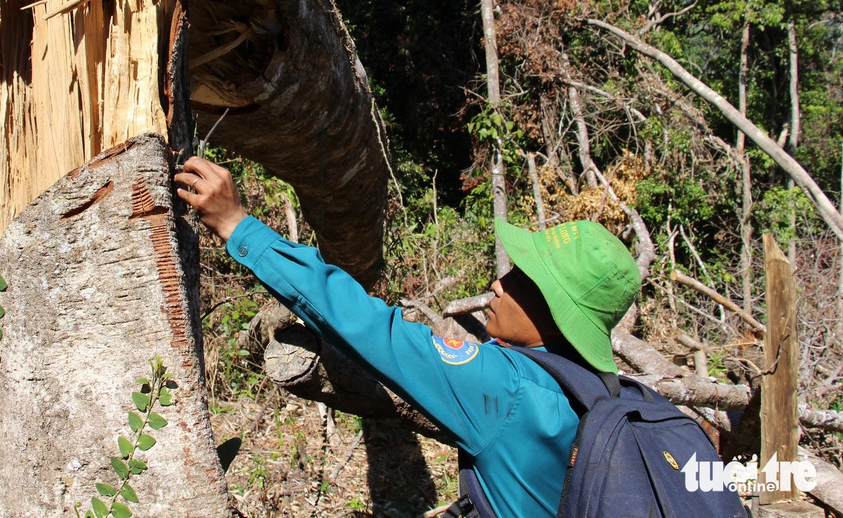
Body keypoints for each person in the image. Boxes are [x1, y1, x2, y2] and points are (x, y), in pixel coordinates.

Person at [174, 156, 641, 518]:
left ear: (555, 312)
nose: (499, 284)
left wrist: (238, 225)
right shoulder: (611, 392)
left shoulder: (506, 389)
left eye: (520, 280)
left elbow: (369, 325)